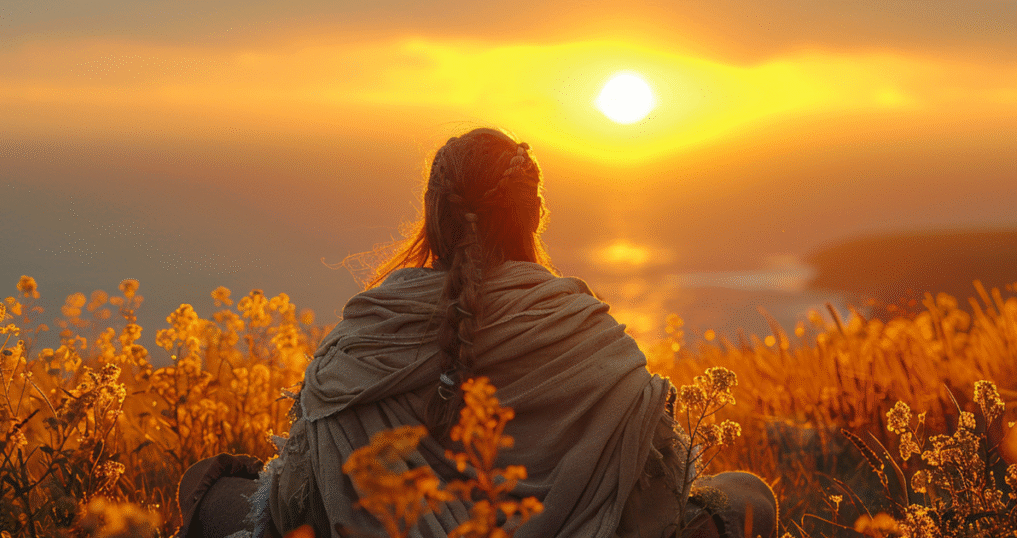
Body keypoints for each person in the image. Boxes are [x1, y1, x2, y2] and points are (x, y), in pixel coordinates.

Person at [177, 127, 777, 538]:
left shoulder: (368, 333)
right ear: (534, 213)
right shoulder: (589, 331)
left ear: (432, 212)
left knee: (205, 487)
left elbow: (296, 502)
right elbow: (655, 496)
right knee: (748, 495)